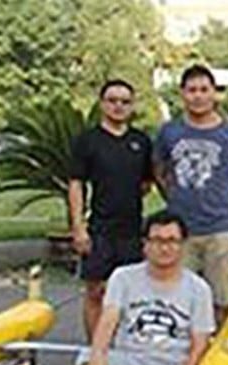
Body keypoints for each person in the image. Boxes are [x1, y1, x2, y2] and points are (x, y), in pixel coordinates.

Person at [78, 210, 222, 365]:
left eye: (171, 241)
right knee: (86, 363)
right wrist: (98, 356)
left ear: (182, 245)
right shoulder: (123, 277)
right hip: (132, 361)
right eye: (156, 240)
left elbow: (200, 345)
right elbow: (108, 319)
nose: (164, 248)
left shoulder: (198, 288)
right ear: (144, 244)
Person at [154, 64, 228, 325]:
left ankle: (216, 358)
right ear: (183, 94)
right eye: (192, 90)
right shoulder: (169, 131)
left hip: (218, 228)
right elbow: (159, 170)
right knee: (178, 299)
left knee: (220, 299)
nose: (198, 96)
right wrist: (172, 198)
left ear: (214, 94)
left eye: (204, 90)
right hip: (180, 231)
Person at [69, 79, 153, 338]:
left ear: (132, 106)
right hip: (99, 230)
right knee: (96, 292)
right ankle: (95, 350)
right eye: (112, 101)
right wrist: (79, 228)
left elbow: (147, 183)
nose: (118, 106)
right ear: (102, 103)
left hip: (131, 231)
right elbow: (76, 184)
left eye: (125, 102)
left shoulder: (141, 142)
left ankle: (125, 346)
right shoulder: (88, 140)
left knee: (132, 293)